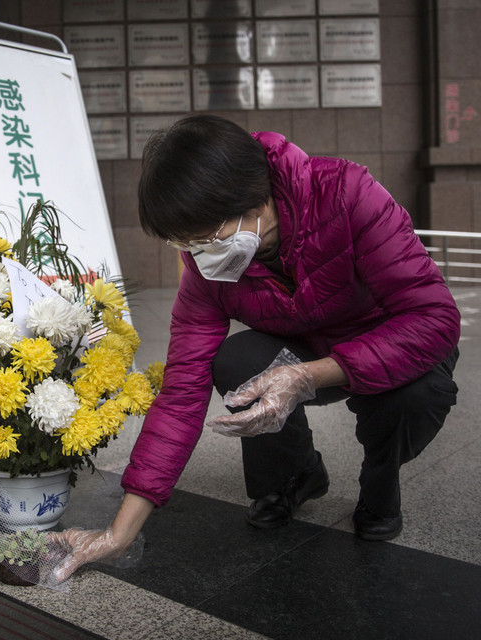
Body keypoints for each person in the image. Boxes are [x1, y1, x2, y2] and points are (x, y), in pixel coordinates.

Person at [50, 114, 460, 579]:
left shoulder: (347, 194)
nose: (200, 254)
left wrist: (308, 375)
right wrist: (117, 534)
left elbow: (434, 318)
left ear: (255, 201)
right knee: (238, 359)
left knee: (415, 395)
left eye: (207, 237)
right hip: (304, 349)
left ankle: (380, 480)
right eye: (187, 243)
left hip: (394, 344)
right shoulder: (208, 266)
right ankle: (296, 475)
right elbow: (182, 394)